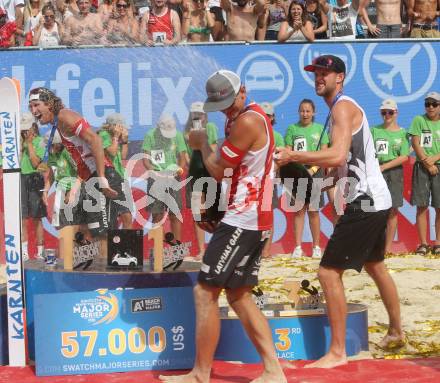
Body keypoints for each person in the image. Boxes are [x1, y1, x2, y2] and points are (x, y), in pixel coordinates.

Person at [275, 55, 404, 368]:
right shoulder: (338, 110)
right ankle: (397, 331)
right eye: (316, 73)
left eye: (325, 73)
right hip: (376, 198)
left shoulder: (343, 108)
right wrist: (323, 184)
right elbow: (341, 165)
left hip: (367, 200)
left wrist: (294, 154)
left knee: (327, 272)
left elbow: (337, 154)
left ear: (340, 78)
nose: (319, 77)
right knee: (375, 265)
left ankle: (336, 353)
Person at [159, 70, 286, 383]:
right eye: (222, 106)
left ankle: (201, 373)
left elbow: (216, 170)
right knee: (240, 295)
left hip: (245, 217)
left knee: (205, 292)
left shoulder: (247, 121)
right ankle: (273, 370)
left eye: (230, 102)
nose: (228, 109)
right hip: (250, 215)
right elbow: (229, 172)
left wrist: (201, 145)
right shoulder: (241, 117)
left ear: (243, 91)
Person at [28, 87, 120, 263]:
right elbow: (83, 160)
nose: (34, 111)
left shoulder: (64, 115)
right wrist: (80, 185)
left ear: (49, 103)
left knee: (101, 233)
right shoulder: (58, 123)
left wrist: (101, 178)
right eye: (30, 107)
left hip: (103, 175)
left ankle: (108, 279)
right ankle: (96, 274)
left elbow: (96, 140)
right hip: (91, 177)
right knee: (92, 231)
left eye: (36, 105)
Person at [284, 98, 327, 259]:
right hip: (297, 174)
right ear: (298, 112)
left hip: (315, 173)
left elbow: (323, 154)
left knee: (314, 211)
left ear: (313, 112)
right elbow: (288, 152)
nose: (305, 113)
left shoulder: (320, 129)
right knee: (299, 211)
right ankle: (298, 247)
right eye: (302, 110)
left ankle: (316, 247)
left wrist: (313, 169)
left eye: (308, 111)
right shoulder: (292, 129)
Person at [371, 99, 410, 255]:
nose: (386, 115)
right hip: (376, 172)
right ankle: (376, 247)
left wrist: (384, 167)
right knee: (376, 210)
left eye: (390, 112)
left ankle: (387, 248)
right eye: (383, 112)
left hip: (393, 173)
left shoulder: (402, 133)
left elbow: (404, 156)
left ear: (396, 113)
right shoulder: (374, 130)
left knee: (392, 210)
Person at [142, 114, 187, 242]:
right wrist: (153, 172)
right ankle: (158, 250)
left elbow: (182, 157)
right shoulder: (150, 135)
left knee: (175, 214)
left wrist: (179, 170)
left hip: (173, 178)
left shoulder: (178, 135)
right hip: (156, 178)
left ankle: (176, 249)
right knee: (157, 214)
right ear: (158, 127)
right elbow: (145, 159)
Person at [184, 101, 218, 260]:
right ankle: (202, 250)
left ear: (205, 115)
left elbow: (213, 149)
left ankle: (216, 248)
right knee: (198, 212)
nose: (198, 117)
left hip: (209, 172)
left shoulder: (210, 127)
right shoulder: (186, 131)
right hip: (195, 173)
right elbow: (186, 155)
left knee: (213, 211)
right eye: (195, 114)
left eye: (201, 114)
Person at [408, 92, 440, 256]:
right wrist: (427, 161)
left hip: (438, 166)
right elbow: (415, 142)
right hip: (422, 166)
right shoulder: (418, 120)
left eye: (434, 104)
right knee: (421, 206)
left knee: (439, 207)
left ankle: (438, 244)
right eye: (427, 104)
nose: (430, 107)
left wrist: (433, 160)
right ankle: (423, 244)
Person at [98, 113, 132, 229]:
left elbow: (122, 156)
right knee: (115, 217)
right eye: (121, 127)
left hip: (119, 177)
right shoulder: (103, 135)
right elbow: (112, 152)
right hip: (110, 178)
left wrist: (125, 141)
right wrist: (116, 137)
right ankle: (115, 245)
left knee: (125, 216)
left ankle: (127, 245)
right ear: (113, 126)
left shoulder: (115, 137)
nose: (123, 129)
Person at [20, 112, 47, 261]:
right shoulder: (17, 143)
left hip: (35, 178)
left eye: (26, 129)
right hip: (20, 179)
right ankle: (24, 252)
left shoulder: (40, 142)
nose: (24, 132)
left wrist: (29, 143)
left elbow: (38, 164)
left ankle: (40, 251)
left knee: (37, 218)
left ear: (32, 128)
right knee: (22, 218)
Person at [260, 101, 284, 259]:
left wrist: (269, 173)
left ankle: (266, 251)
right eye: (263, 116)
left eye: (268, 116)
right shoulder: (252, 134)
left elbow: (280, 160)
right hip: (252, 182)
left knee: (267, 216)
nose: (266, 119)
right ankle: (254, 251)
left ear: (273, 117)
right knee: (253, 216)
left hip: (268, 181)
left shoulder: (277, 137)